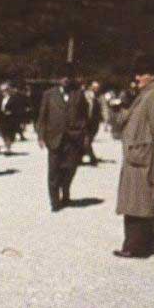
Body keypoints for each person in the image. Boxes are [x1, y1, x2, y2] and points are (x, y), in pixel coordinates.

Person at [112, 54, 154, 258]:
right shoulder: (145, 94)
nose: (137, 77)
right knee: (135, 203)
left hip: (144, 158)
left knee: (141, 203)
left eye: (141, 73)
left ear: (152, 75)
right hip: (138, 157)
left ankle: (137, 247)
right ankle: (135, 244)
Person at [37, 64, 88, 212]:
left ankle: (65, 192)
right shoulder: (49, 94)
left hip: (73, 138)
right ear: (58, 79)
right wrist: (41, 135)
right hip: (54, 138)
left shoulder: (78, 93)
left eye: (68, 77)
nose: (65, 80)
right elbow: (42, 116)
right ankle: (55, 201)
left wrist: (83, 132)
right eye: (62, 77)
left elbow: (84, 115)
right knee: (53, 171)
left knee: (70, 169)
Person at [0, 82, 24, 155]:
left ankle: (8, 148)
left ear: (8, 90)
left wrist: (11, 112)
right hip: (2, 118)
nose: (3, 92)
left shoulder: (14, 98)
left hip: (11, 119)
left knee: (10, 134)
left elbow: (18, 109)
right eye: (2, 90)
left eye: (5, 90)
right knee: (4, 134)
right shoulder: (0, 98)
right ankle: (7, 147)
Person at [84, 81, 102, 165]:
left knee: (88, 140)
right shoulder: (86, 95)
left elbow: (102, 109)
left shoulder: (99, 97)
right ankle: (92, 158)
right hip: (86, 121)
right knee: (86, 140)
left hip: (94, 122)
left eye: (97, 87)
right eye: (94, 87)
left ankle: (86, 156)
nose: (96, 89)